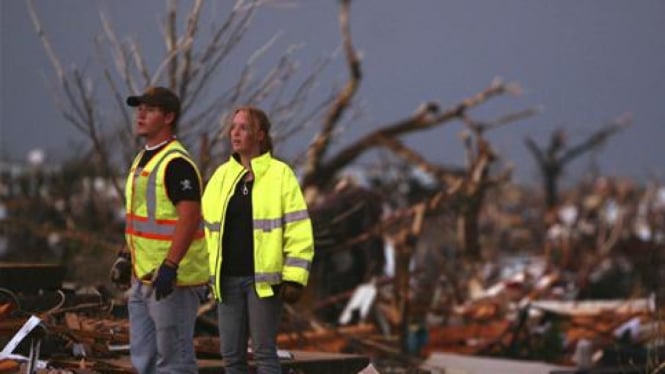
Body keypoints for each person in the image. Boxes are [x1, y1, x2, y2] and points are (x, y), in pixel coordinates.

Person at [202, 106, 315, 374]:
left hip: (263, 282)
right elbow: (203, 228)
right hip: (226, 280)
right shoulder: (221, 176)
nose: (235, 133)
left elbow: (298, 228)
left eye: (243, 127)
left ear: (260, 135)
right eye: (233, 127)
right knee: (231, 356)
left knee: (264, 354)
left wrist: (295, 276)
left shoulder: (280, 174)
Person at [110, 86, 208, 373]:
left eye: (149, 110)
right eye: (139, 108)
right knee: (144, 358)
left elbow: (189, 218)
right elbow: (140, 217)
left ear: (168, 117)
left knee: (174, 358)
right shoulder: (143, 158)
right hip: (144, 276)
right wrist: (126, 256)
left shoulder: (177, 164)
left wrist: (170, 265)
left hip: (171, 280)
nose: (140, 114)